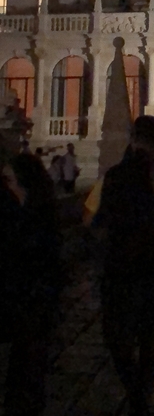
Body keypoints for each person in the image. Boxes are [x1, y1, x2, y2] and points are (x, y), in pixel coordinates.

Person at [94, 116, 154, 416]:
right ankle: (141, 394)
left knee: (118, 338)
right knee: (151, 339)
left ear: (134, 137)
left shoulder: (116, 175)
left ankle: (135, 392)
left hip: (122, 266)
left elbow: (101, 221)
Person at [1, 153, 62, 416]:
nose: (6, 187)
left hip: (29, 310)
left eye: (9, 180)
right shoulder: (30, 214)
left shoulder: (32, 220)